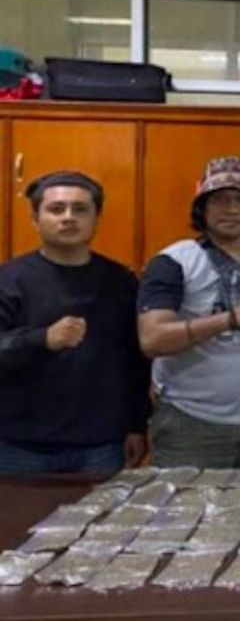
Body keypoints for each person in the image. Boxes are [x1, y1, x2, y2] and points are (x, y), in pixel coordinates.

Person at [137, 156, 240, 468]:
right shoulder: (174, 262)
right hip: (190, 423)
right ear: (202, 208)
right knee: (186, 502)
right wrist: (231, 320)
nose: (231, 209)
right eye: (219, 200)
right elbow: (153, 339)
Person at [0, 172, 150, 474]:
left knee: (103, 509)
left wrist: (137, 424)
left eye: (80, 209)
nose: (68, 217)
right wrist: (43, 339)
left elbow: (134, 361)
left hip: (102, 444)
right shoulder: (9, 280)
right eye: (56, 209)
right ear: (35, 219)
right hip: (20, 444)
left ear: (97, 218)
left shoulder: (121, 281)